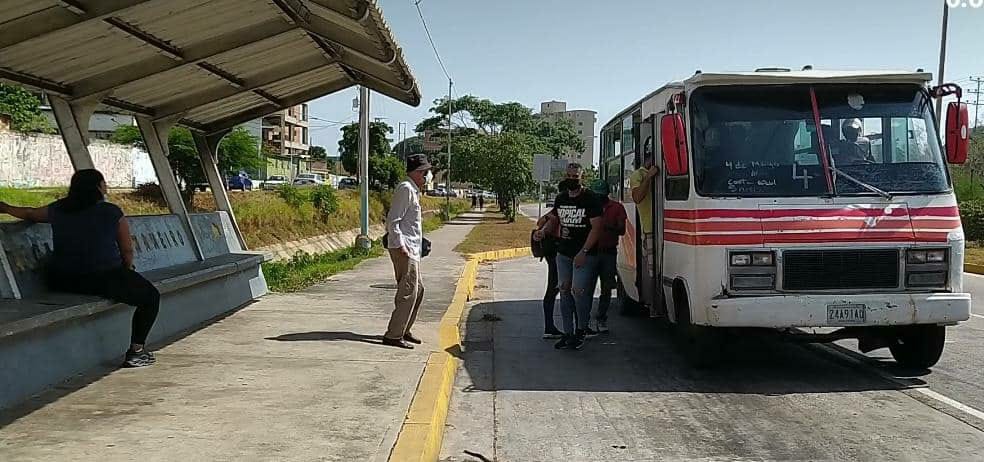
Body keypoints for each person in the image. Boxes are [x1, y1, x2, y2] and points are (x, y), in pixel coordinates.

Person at [0, 169, 160, 368]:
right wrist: (127, 271)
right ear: (98, 187)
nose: (106, 186)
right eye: (103, 183)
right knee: (151, 297)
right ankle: (136, 352)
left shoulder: (59, 209)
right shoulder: (111, 211)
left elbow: (30, 213)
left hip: (63, 279)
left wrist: (5, 207)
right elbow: (127, 250)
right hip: (102, 278)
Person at [551, 163, 604, 350]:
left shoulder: (590, 199)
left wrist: (584, 251)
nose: (571, 179)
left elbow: (597, 228)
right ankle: (568, 333)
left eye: (575, 176)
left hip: (585, 254)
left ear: (582, 177)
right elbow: (556, 220)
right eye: (569, 176)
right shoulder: (561, 198)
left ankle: (582, 328)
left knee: (578, 290)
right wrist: (542, 231)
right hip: (564, 253)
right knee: (564, 289)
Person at [383, 154, 432, 349]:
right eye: (425, 172)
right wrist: (401, 244)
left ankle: (403, 329)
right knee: (408, 292)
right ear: (417, 172)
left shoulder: (413, 190)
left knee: (417, 290)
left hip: (412, 247)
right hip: (404, 248)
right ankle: (394, 335)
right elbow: (393, 220)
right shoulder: (405, 189)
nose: (427, 176)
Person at [532, 183, 569, 339]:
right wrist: (543, 231)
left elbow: (541, 222)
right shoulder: (558, 213)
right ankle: (552, 327)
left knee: (553, 290)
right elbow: (547, 224)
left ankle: (550, 326)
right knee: (556, 289)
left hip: (552, 254)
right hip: (556, 255)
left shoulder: (554, 211)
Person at [588, 179, 626, 333]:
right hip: (591, 252)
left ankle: (601, 318)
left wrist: (606, 226)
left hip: (608, 253)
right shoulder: (588, 207)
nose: (598, 199)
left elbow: (622, 230)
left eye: (601, 196)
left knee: (606, 289)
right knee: (587, 287)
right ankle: (585, 320)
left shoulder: (616, 208)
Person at [630, 148, 661, 316]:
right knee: (651, 269)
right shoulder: (638, 175)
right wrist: (649, 177)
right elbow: (637, 198)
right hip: (650, 228)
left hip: (666, 227)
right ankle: (652, 305)